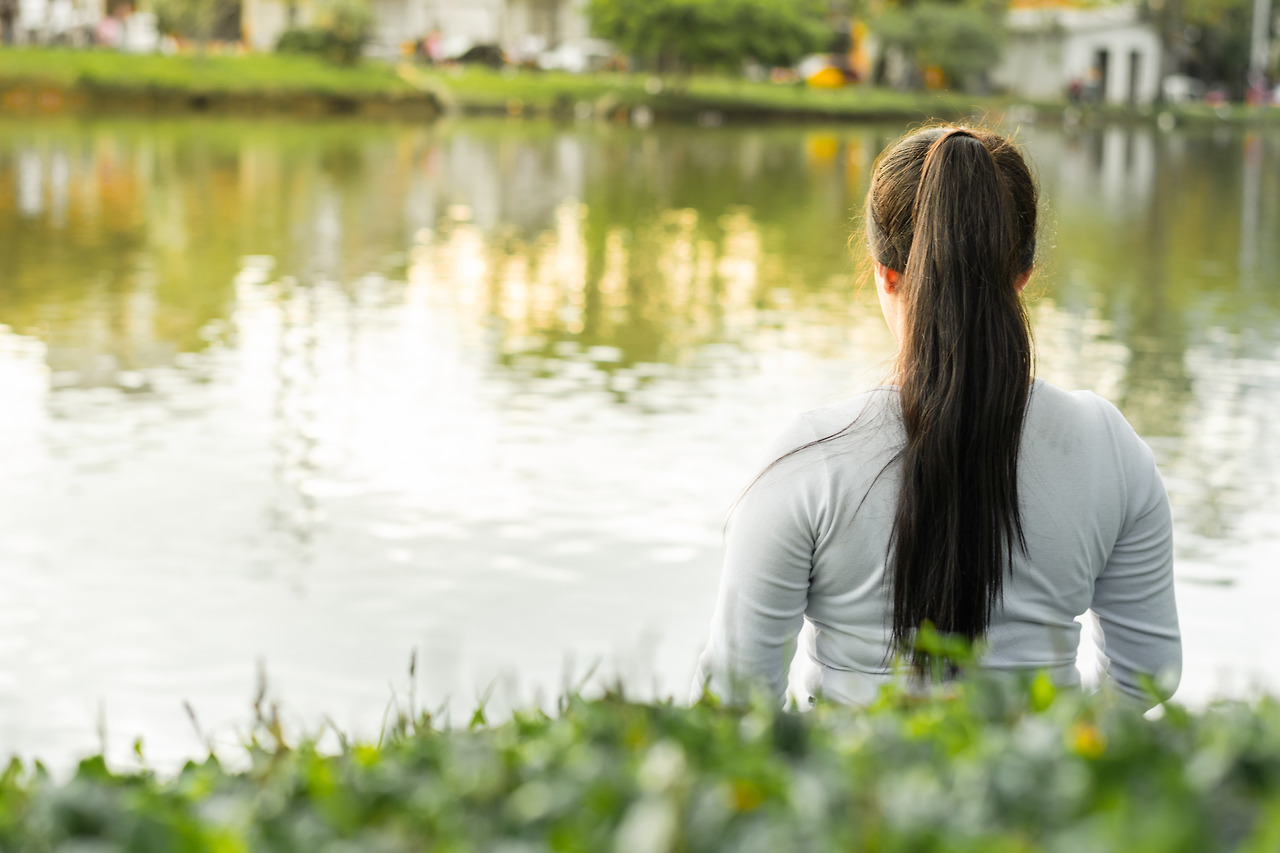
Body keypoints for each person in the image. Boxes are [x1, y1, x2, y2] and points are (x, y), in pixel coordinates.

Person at [692, 125, 1180, 709]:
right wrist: (1060, 758)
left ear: (885, 274)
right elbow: (1148, 675)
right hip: (1046, 793)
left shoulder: (808, 458)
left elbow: (733, 700)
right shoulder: (1108, 449)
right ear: (1021, 278)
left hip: (846, 797)